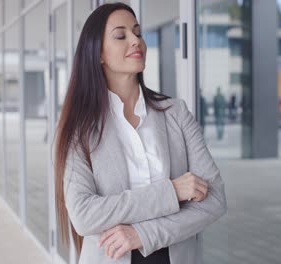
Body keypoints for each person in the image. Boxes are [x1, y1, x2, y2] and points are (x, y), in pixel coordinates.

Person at [54, 3, 226, 264]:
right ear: (98, 53)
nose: (136, 41)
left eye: (138, 32)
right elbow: (84, 215)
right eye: (121, 35)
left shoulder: (175, 112)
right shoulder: (80, 129)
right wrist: (172, 192)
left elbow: (214, 200)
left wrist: (143, 234)